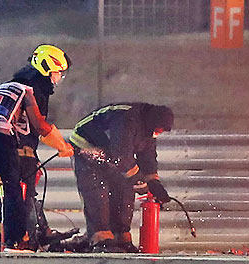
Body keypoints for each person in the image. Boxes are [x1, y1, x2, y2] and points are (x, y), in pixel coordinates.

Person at [0, 49, 75, 251]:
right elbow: (39, 125)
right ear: (48, 68)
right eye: (58, 72)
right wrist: (62, 146)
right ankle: (16, 241)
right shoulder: (27, 90)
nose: (58, 78)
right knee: (13, 187)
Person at [61, 103, 174, 253]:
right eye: (158, 130)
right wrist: (140, 182)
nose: (157, 133)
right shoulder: (127, 118)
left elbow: (147, 158)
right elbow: (121, 156)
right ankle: (100, 237)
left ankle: (121, 236)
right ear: (153, 122)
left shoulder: (148, 130)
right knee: (97, 190)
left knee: (125, 189)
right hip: (88, 146)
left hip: (111, 153)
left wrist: (154, 183)